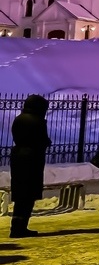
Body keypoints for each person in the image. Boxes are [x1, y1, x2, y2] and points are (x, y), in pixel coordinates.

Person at [9, 94, 51, 238]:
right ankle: (20, 228)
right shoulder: (37, 121)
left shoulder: (19, 118)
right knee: (28, 194)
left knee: (20, 193)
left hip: (17, 156)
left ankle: (16, 226)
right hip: (32, 158)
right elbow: (43, 140)